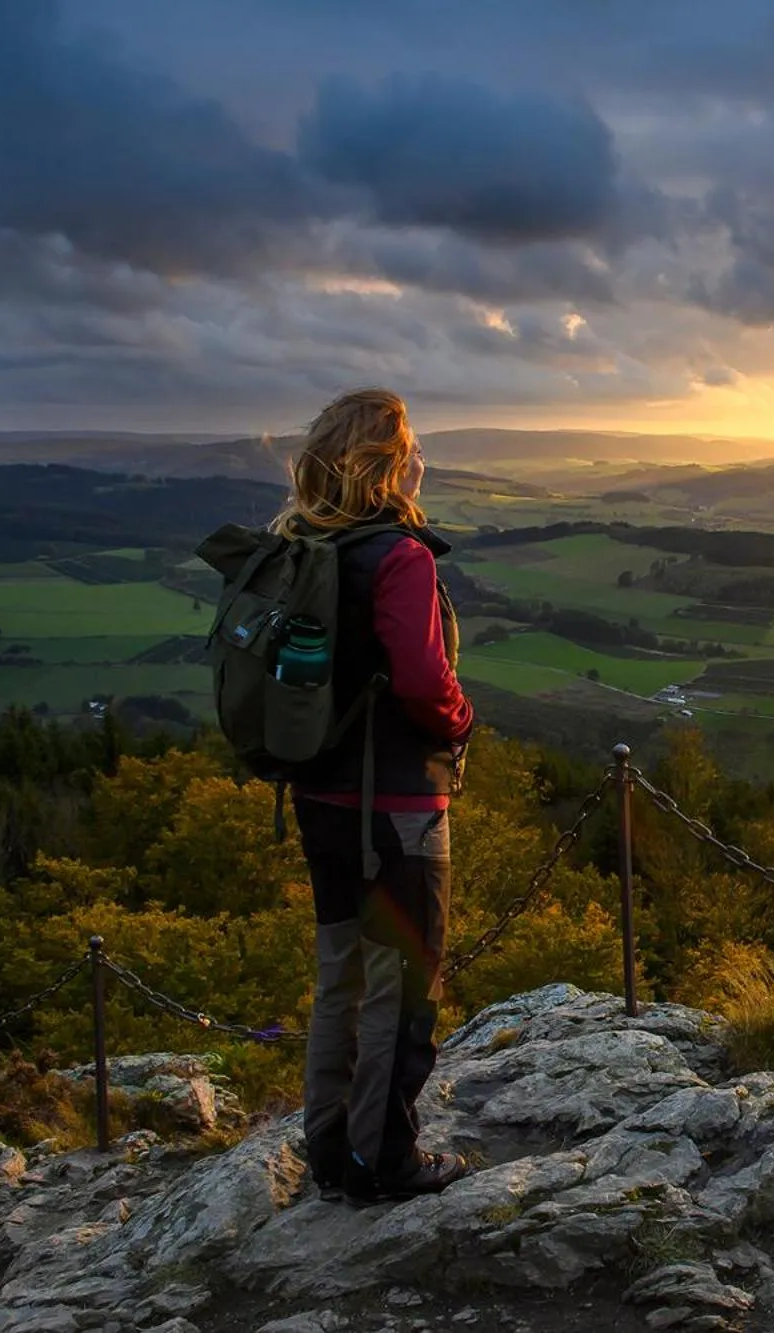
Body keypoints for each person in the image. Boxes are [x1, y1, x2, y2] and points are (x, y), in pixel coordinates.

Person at [274, 388, 475, 1202]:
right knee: (403, 983)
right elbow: (426, 682)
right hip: (398, 807)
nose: (422, 456)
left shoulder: (299, 543)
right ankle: (384, 1160)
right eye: (413, 446)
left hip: (320, 797)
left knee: (341, 976)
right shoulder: (400, 555)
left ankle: (330, 1147)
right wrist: (462, 719)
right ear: (390, 462)